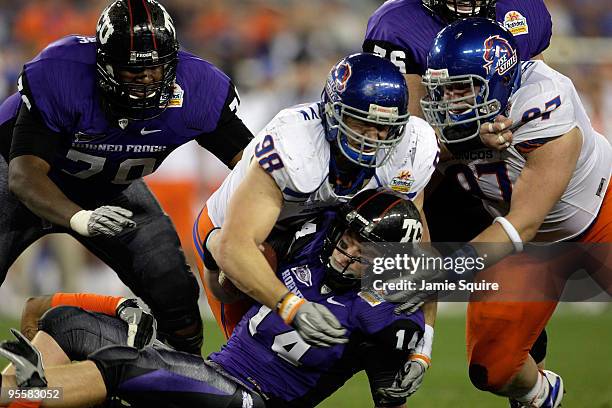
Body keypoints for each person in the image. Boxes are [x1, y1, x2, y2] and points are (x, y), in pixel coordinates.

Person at [0, 189, 434, 408]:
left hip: (254, 401)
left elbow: (388, 394)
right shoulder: (311, 246)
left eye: (368, 244)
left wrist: (415, 358)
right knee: (66, 323)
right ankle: (25, 399)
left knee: (122, 364)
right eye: (351, 233)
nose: (350, 246)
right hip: (216, 375)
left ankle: (21, 396)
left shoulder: (387, 315)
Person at [0, 0, 255, 354]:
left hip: (111, 186)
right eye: (133, 72)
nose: (148, 80)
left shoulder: (198, 90)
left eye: (156, 69)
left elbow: (255, 171)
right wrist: (81, 218)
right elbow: (24, 174)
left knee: (173, 289)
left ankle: (173, 385)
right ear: (102, 64)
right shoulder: (63, 72)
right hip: (20, 180)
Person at [394, 18, 612, 408]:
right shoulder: (461, 112)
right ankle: (542, 396)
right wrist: (462, 141)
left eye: (461, 88)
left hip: (598, 214)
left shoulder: (544, 100)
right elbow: (416, 179)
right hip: (524, 246)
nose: (448, 100)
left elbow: (523, 222)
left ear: (496, 80)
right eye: (442, 89)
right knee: (493, 369)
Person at [192, 52, 439, 343]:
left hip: (321, 231)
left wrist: (426, 340)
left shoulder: (412, 146)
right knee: (253, 344)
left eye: (384, 127)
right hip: (243, 236)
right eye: (361, 123)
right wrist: (291, 307)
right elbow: (236, 246)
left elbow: (410, 226)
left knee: (402, 269)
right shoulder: (295, 144)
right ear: (333, 113)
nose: (373, 138)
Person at [363, 0, 554, 242]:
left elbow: (539, 92)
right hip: (445, 177)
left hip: (514, 159)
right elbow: (408, 147)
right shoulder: (396, 25)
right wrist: (473, 138)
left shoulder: (522, 9)